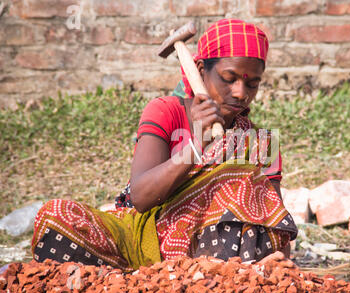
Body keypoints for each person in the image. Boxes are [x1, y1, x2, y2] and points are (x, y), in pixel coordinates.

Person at [31, 19, 298, 272]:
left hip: (214, 260)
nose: (241, 93)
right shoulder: (165, 111)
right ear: (202, 70)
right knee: (55, 216)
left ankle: (201, 280)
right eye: (229, 78)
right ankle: (144, 279)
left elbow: (274, 222)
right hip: (139, 239)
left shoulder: (260, 141)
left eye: (253, 83)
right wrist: (196, 144)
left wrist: (278, 263)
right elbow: (141, 197)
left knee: (238, 181)